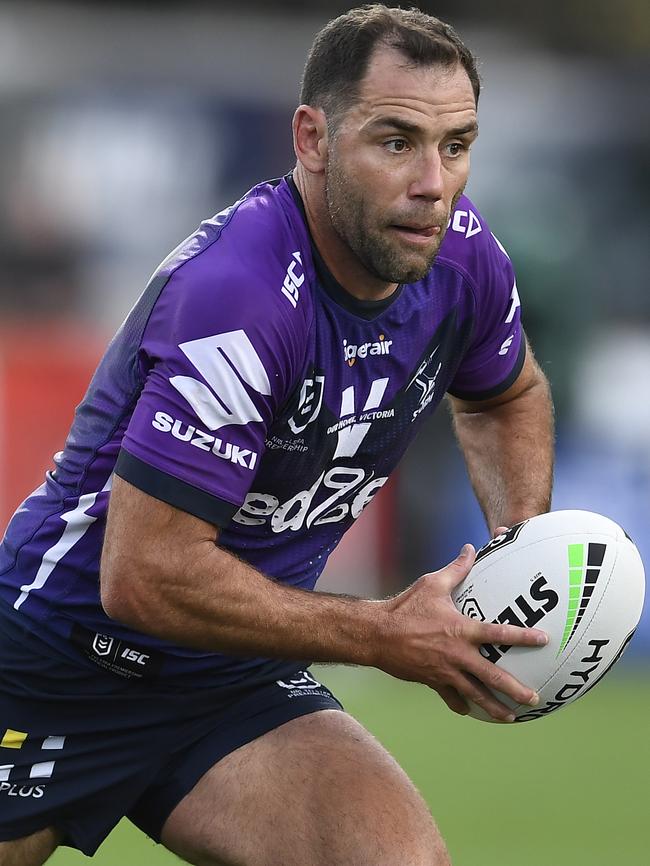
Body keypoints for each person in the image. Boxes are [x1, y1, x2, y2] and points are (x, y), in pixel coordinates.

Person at [0, 5, 554, 865]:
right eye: (397, 140)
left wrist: (526, 556)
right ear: (312, 138)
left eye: (456, 145)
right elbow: (144, 576)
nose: (435, 183)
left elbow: (505, 396)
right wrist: (382, 633)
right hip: (55, 662)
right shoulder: (242, 292)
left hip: (229, 676)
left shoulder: (463, 258)